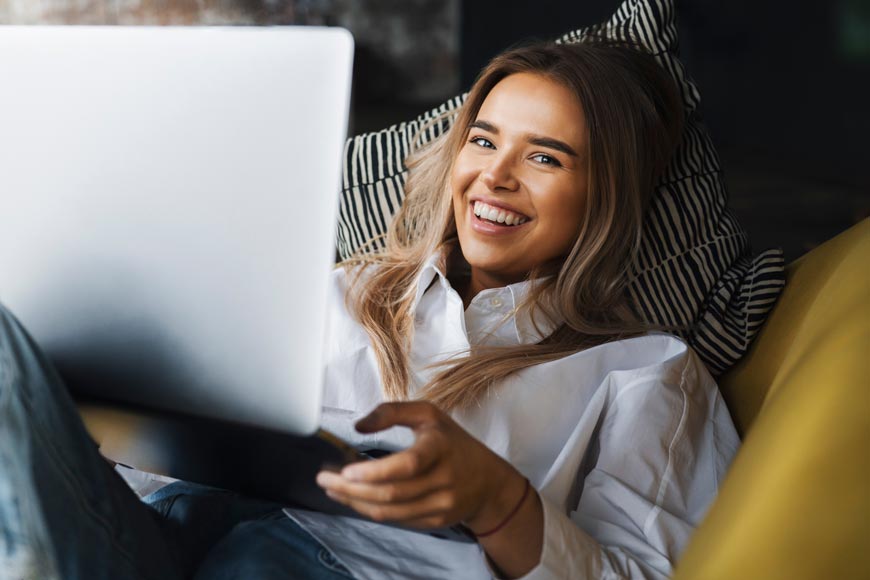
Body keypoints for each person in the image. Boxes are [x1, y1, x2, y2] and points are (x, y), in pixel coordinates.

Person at [0, 39, 739, 580]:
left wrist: (496, 502)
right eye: (483, 141)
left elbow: (641, 573)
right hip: (171, 530)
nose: (495, 176)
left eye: (545, 158)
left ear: (606, 196)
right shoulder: (340, 289)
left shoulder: (649, 372)